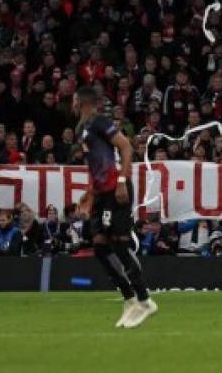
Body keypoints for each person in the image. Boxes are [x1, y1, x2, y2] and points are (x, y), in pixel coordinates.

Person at [73, 86, 157, 328]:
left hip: (116, 189)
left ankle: (145, 300)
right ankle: (129, 299)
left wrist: (121, 180)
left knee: (119, 244)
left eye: (74, 100)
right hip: (101, 193)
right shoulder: (83, 129)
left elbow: (126, 146)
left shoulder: (99, 121)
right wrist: (90, 192)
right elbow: (97, 163)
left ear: (80, 102)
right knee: (99, 246)